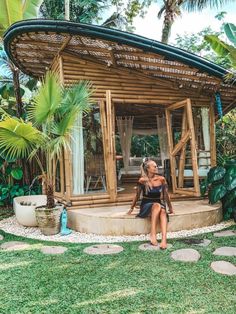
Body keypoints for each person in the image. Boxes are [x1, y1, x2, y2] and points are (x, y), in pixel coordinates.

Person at [127, 158, 174, 248]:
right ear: (148, 168)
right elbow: (137, 195)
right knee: (157, 205)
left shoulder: (161, 179)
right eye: (154, 166)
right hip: (146, 204)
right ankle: (153, 234)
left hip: (158, 203)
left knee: (163, 211)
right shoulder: (142, 180)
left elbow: (166, 195)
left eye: (157, 166)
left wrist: (170, 208)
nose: (157, 167)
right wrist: (131, 208)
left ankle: (164, 239)